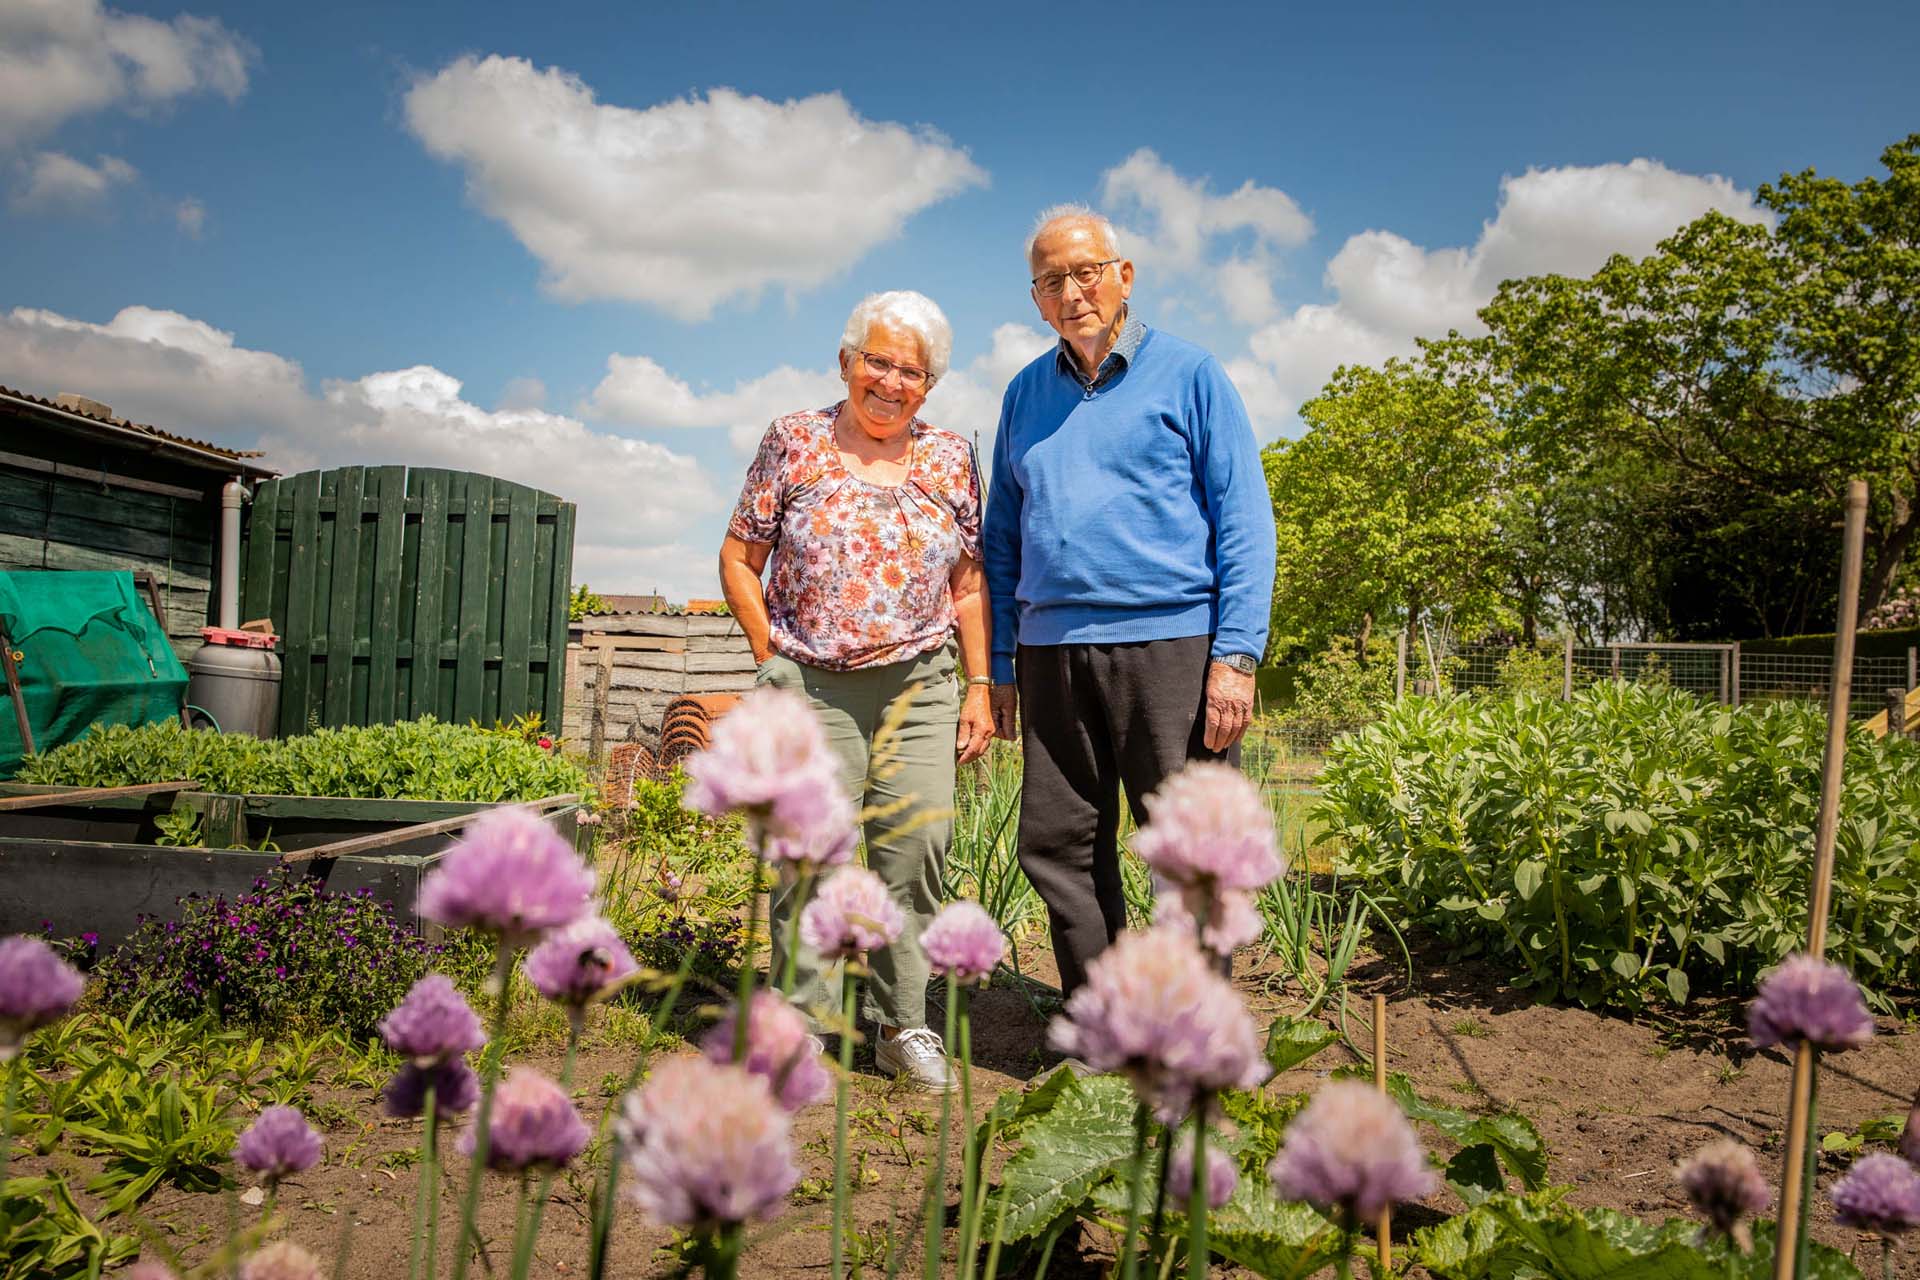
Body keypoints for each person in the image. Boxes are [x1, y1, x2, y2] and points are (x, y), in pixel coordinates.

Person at [981, 205, 1277, 995]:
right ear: (1037, 300)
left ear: (1123, 277)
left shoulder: (1191, 375)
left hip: (1173, 649)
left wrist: (1237, 655)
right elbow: (1000, 539)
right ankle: (1105, 1020)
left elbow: (1245, 520)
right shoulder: (1022, 396)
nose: (1072, 292)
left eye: (1086, 272)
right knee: (1059, 845)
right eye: (1052, 280)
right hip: (1051, 654)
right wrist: (1002, 663)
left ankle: (1191, 1027)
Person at [719, 290, 994, 1091]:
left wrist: (979, 684)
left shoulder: (949, 459)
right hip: (811, 682)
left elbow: (969, 582)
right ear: (846, 361)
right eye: (877, 360)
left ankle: (898, 1025)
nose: (891, 381)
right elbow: (740, 558)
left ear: (929, 385)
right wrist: (771, 655)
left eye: (911, 370)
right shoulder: (793, 441)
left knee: (916, 853)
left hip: (921, 682)